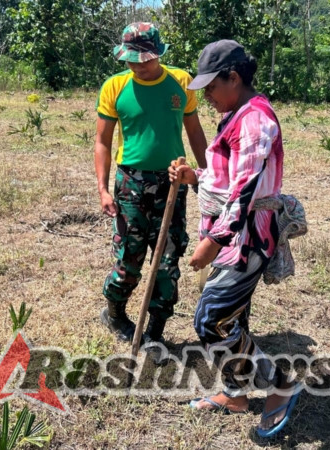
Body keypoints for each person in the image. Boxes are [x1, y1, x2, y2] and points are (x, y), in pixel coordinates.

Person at [168, 40, 301, 438]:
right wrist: (196, 177)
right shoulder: (236, 114)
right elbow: (226, 176)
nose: (206, 95)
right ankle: (236, 392)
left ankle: (280, 384)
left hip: (245, 240)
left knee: (211, 319)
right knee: (232, 318)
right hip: (236, 237)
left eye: (211, 86)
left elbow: (245, 189)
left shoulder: (255, 120)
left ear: (234, 78)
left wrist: (214, 240)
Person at [94, 23, 207, 353]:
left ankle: (155, 329)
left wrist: (207, 177)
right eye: (132, 60)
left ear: (159, 54)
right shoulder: (115, 87)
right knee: (130, 256)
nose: (139, 66)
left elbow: (195, 132)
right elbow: (102, 142)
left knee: (168, 258)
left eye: (145, 59)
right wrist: (103, 189)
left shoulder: (181, 82)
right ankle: (115, 314)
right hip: (130, 183)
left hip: (172, 182)